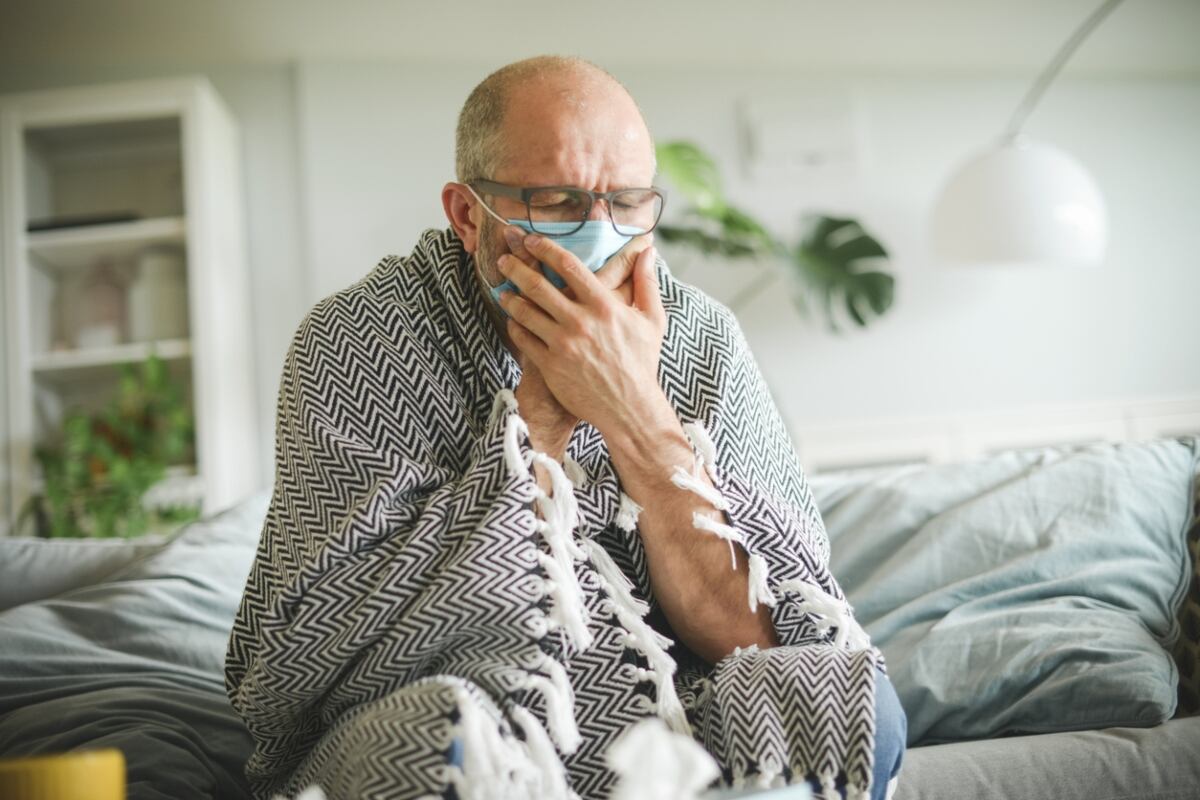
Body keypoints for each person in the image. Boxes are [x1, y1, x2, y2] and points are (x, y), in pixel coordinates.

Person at [225, 55, 906, 800]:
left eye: (627, 202)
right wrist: (541, 417)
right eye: (555, 202)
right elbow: (316, 657)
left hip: (681, 711)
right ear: (465, 213)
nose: (598, 236)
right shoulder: (355, 338)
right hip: (458, 701)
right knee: (442, 736)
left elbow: (764, 632)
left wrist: (634, 410)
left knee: (848, 698)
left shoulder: (704, 337)